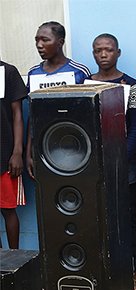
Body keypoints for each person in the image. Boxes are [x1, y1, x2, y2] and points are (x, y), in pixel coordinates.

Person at [89, 33, 136, 290]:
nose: (104, 55)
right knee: (98, 217)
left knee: (131, 216)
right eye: (98, 50)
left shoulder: (131, 85)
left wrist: (120, 159)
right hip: (93, 164)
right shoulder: (85, 83)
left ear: (118, 52)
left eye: (109, 50)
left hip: (126, 164)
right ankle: (105, 271)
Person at [26, 21, 91, 178]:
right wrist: (28, 152)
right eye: (37, 40)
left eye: (45, 40)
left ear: (60, 42)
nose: (39, 45)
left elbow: (90, 115)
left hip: (75, 146)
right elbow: (32, 116)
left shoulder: (79, 72)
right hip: (44, 146)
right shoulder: (34, 73)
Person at [0, 61, 27, 249]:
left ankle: (14, 262)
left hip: (4, 154)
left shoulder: (8, 71)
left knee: (8, 210)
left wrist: (18, 151)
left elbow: (18, 114)